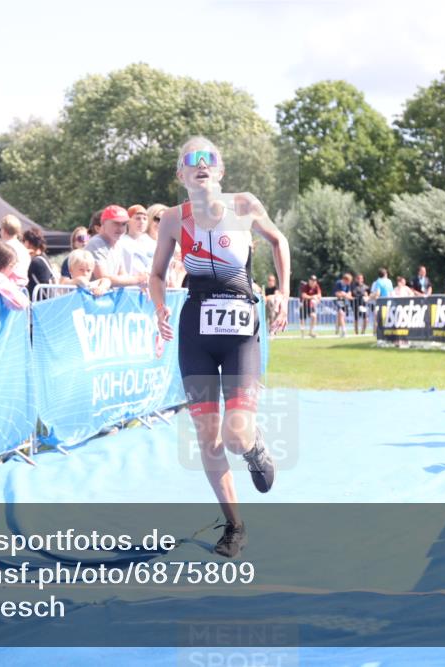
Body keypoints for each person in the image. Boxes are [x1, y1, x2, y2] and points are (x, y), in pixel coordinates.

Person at [149, 136, 289, 559]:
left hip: (240, 329)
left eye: (210, 159)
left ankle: (254, 446)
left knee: (234, 435)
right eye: (191, 160)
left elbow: (278, 241)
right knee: (208, 440)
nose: (201, 164)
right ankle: (234, 526)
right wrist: (159, 308)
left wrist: (283, 291)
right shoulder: (173, 219)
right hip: (196, 331)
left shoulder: (244, 205)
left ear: (221, 171)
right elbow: (156, 275)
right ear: (181, 175)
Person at [88, 205, 148, 287]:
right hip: (91, 297)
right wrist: (138, 280)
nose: (120, 229)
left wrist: (140, 284)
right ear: (103, 223)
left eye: (123, 224)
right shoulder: (96, 243)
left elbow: (123, 275)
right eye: (116, 223)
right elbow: (103, 278)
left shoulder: (118, 244)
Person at [0, 240, 29, 310]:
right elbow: (20, 303)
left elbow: (22, 281)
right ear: (3, 265)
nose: (14, 269)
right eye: (12, 266)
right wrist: (26, 301)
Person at [118, 204, 156, 274]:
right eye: (138, 218)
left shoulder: (152, 243)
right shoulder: (120, 242)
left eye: (145, 219)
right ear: (128, 221)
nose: (142, 221)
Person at [22, 229, 55, 297]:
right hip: (47, 299)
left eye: (24, 241)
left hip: (40, 302)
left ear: (28, 242)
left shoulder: (36, 262)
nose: (23, 244)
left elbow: (23, 278)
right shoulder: (43, 257)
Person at [0, 214, 31, 281]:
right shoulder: (24, 249)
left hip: (6, 287)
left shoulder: (3, 248)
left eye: (0, 229)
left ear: (4, 231)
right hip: (21, 287)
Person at [333, 272, 353, 337]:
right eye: (349, 281)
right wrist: (343, 294)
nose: (349, 283)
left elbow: (349, 293)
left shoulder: (348, 285)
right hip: (338, 300)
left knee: (340, 316)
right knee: (341, 313)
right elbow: (337, 294)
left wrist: (344, 294)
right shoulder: (338, 283)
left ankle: (337, 329)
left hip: (344, 301)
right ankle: (344, 331)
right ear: (345, 280)